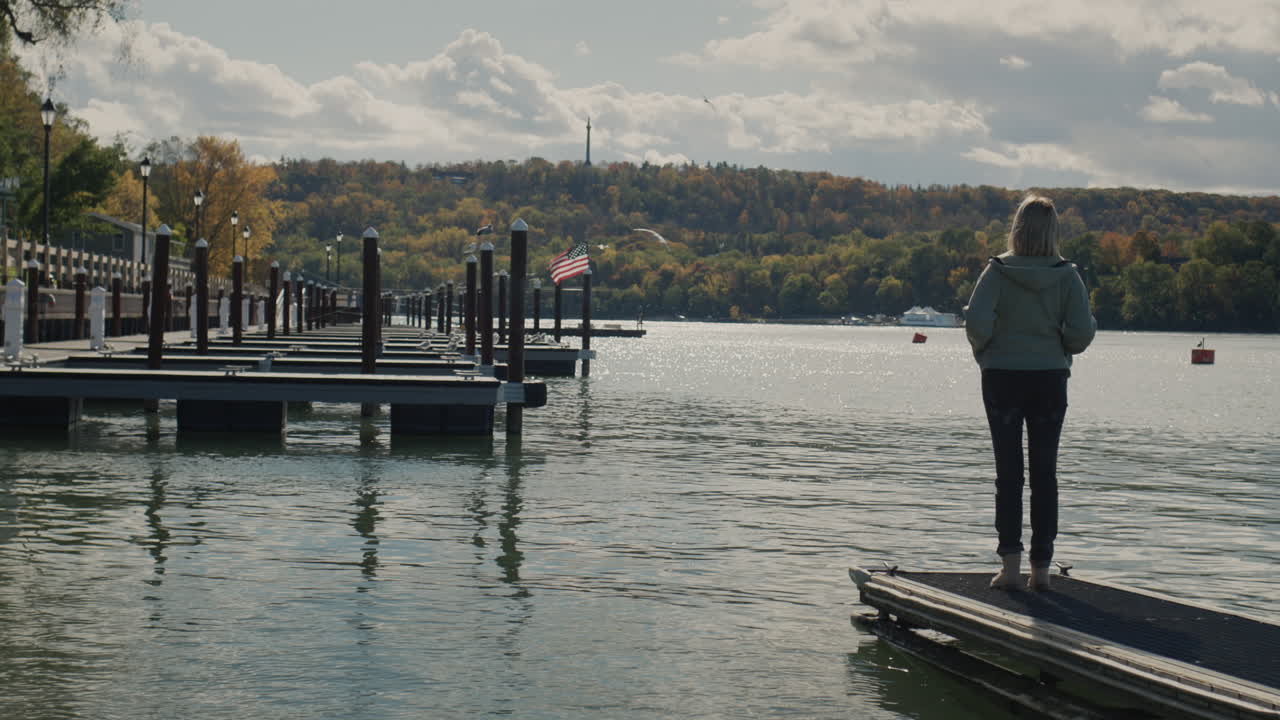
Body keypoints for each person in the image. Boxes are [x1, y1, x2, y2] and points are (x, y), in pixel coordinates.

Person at [965, 195, 1096, 591]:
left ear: (1017, 228)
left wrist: (988, 352)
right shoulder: (1067, 276)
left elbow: (976, 324)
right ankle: (1041, 570)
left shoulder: (996, 272)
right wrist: (1058, 344)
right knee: (1045, 473)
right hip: (1049, 379)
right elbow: (1081, 334)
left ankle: (1009, 567)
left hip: (1002, 377)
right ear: (1053, 231)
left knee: (1008, 473)